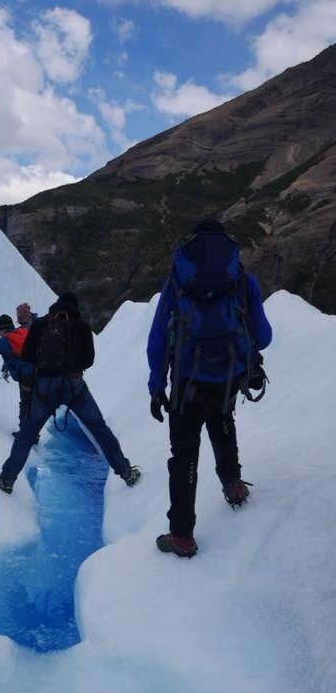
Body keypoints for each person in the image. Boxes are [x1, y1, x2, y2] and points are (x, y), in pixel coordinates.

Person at [147, 219, 272, 558]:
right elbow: (264, 336)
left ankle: (182, 536)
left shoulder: (178, 283)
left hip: (186, 385)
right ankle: (233, 485)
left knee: (184, 456)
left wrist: (156, 385)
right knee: (223, 421)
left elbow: (158, 338)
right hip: (227, 377)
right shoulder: (243, 281)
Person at [0, 292, 141, 494]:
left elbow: (27, 354)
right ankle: (126, 472)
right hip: (74, 388)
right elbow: (89, 360)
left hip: (44, 388)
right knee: (99, 428)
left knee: (27, 434)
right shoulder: (81, 326)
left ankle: (7, 479)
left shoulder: (40, 325)